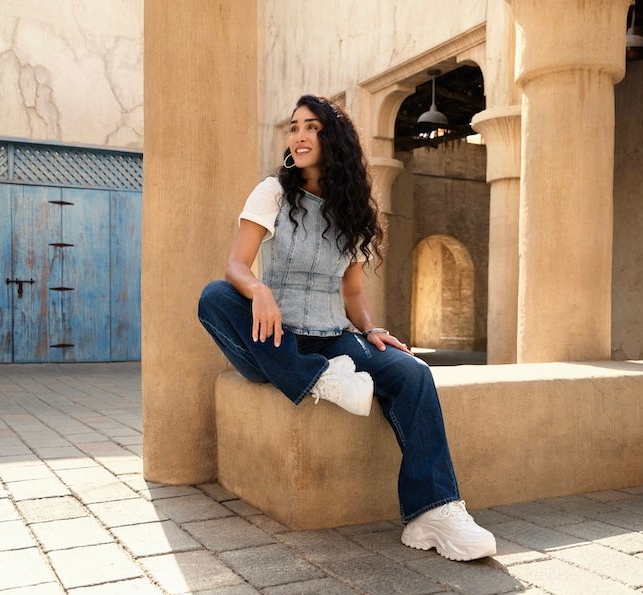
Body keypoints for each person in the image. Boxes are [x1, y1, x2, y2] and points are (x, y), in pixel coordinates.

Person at [197, 95, 495, 561]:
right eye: (294, 127)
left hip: (333, 339)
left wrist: (373, 330)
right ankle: (318, 379)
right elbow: (236, 264)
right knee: (215, 296)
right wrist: (258, 290)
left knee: (413, 373)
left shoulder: (353, 211)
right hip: (273, 341)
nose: (299, 136)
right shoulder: (272, 192)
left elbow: (352, 294)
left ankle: (433, 511)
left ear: (333, 138)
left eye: (311, 127)